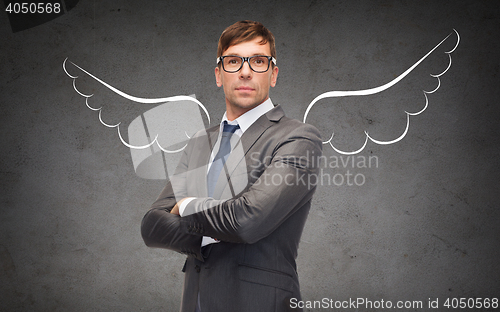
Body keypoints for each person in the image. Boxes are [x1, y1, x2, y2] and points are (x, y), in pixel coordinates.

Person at [141, 20, 322, 312]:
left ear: (273, 74)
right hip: (195, 302)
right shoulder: (200, 142)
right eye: (234, 61)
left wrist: (186, 206)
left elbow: (247, 220)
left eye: (259, 61)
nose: (246, 71)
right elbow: (152, 226)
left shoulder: (297, 137)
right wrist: (212, 232)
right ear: (218, 74)